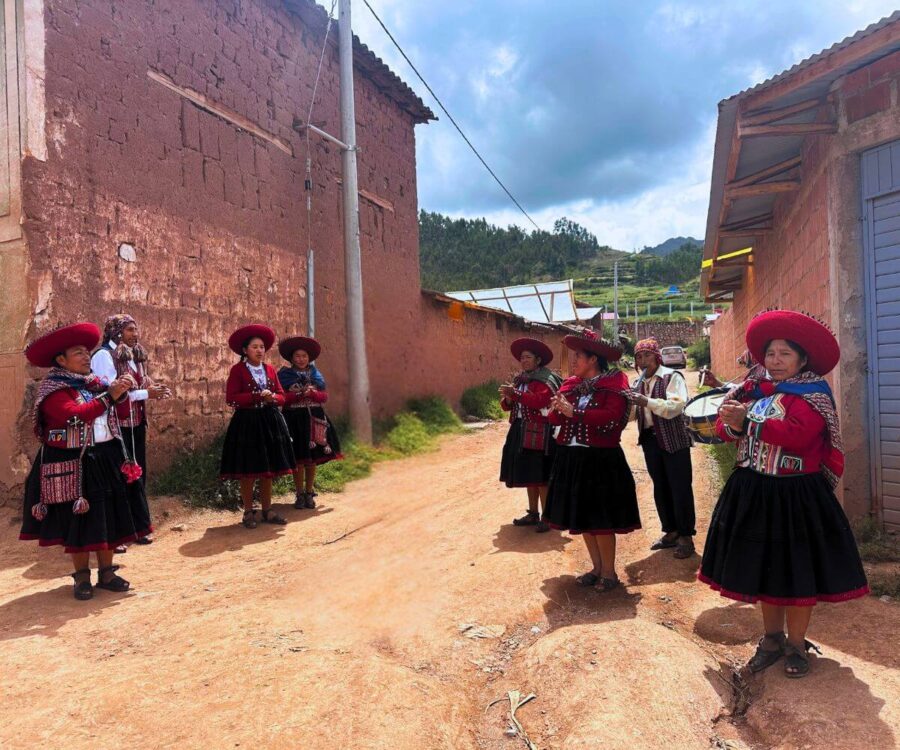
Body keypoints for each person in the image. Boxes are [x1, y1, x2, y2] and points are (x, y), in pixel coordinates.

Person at [699, 309, 869, 678]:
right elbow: (728, 431)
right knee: (765, 570)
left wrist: (747, 421)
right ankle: (771, 639)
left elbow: (798, 435)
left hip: (796, 496)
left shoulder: (812, 396)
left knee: (797, 572)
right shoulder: (756, 390)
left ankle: (797, 644)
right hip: (754, 491)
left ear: (802, 359)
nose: (775, 362)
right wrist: (730, 424)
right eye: (771, 354)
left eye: (785, 355)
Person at [19, 322, 152, 599]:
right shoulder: (54, 390)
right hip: (73, 462)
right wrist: (110, 396)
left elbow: (119, 407)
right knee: (78, 520)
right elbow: (74, 416)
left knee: (107, 516)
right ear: (61, 360)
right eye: (77, 352)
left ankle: (107, 572)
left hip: (105, 456)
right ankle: (81, 578)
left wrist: (124, 391)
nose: (85, 356)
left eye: (86, 351)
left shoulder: (94, 383)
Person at [543, 328, 640, 591]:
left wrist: (575, 413)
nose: (573, 362)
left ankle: (609, 573)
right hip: (572, 457)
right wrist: (559, 410)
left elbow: (611, 416)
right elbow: (553, 419)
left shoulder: (613, 386)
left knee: (601, 518)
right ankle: (596, 568)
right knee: (583, 516)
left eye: (578, 357)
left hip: (600, 459)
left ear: (593, 359)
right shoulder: (572, 387)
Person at [91, 313, 170, 550]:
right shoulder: (104, 356)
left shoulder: (132, 355)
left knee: (136, 475)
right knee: (117, 478)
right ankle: (116, 535)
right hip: (114, 427)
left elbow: (139, 382)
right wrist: (147, 394)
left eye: (135, 330)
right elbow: (114, 393)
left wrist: (152, 387)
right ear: (116, 332)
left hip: (134, 423)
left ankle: (137, 528)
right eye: (129, 330)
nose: (135, 334)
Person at [220, 324, 294, 528]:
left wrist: (273, 398)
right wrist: (255, 396)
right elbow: (231, 398)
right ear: (245, 350)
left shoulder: (270, 369)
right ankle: (248, 511)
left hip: (269, 421)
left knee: (267, 467)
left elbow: (282, 395)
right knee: (249, 468)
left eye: (262, 347)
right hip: (248, 423)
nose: (259, 350)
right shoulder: (238, 371)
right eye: (255, 347)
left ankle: (267, 510)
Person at [630, 337, 696, 558]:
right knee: (660, 485)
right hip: (650, 439)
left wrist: (645, 401)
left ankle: (686, 536)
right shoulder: (638, 383)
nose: (643, 360)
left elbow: (676, 406)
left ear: (657, 357)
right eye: (639, 357)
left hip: (674, 438)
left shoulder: (671, 377)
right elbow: (634, 414)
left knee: (680, 486)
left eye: (647, 355)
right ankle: (671, 531)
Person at [499, 338, 562, 533]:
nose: (523, 360)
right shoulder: (521, 380)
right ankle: (533, 513)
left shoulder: (545, 379)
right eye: (522, 358)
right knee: (529, 474)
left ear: (538, 360)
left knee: (541, 475)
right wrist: (509, 398)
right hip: (520, 430)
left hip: (539, 433)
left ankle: (548, 516)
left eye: (527, 357)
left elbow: (539, 400)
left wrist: (515, 394)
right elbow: (509, 405)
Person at [277, 336, 342, 509]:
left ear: (309, 358)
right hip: (294, 419)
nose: (301, 359)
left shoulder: (315, 374)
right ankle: (299, 493)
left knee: (312, 459)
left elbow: (324, 396)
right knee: (299, 458)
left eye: (304, 356)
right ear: (291, 358)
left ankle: (309, 492)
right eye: (297, 356)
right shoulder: (283, 375)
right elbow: (281, 398)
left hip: (314, 418)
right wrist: (298, 395)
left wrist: (312, 394)